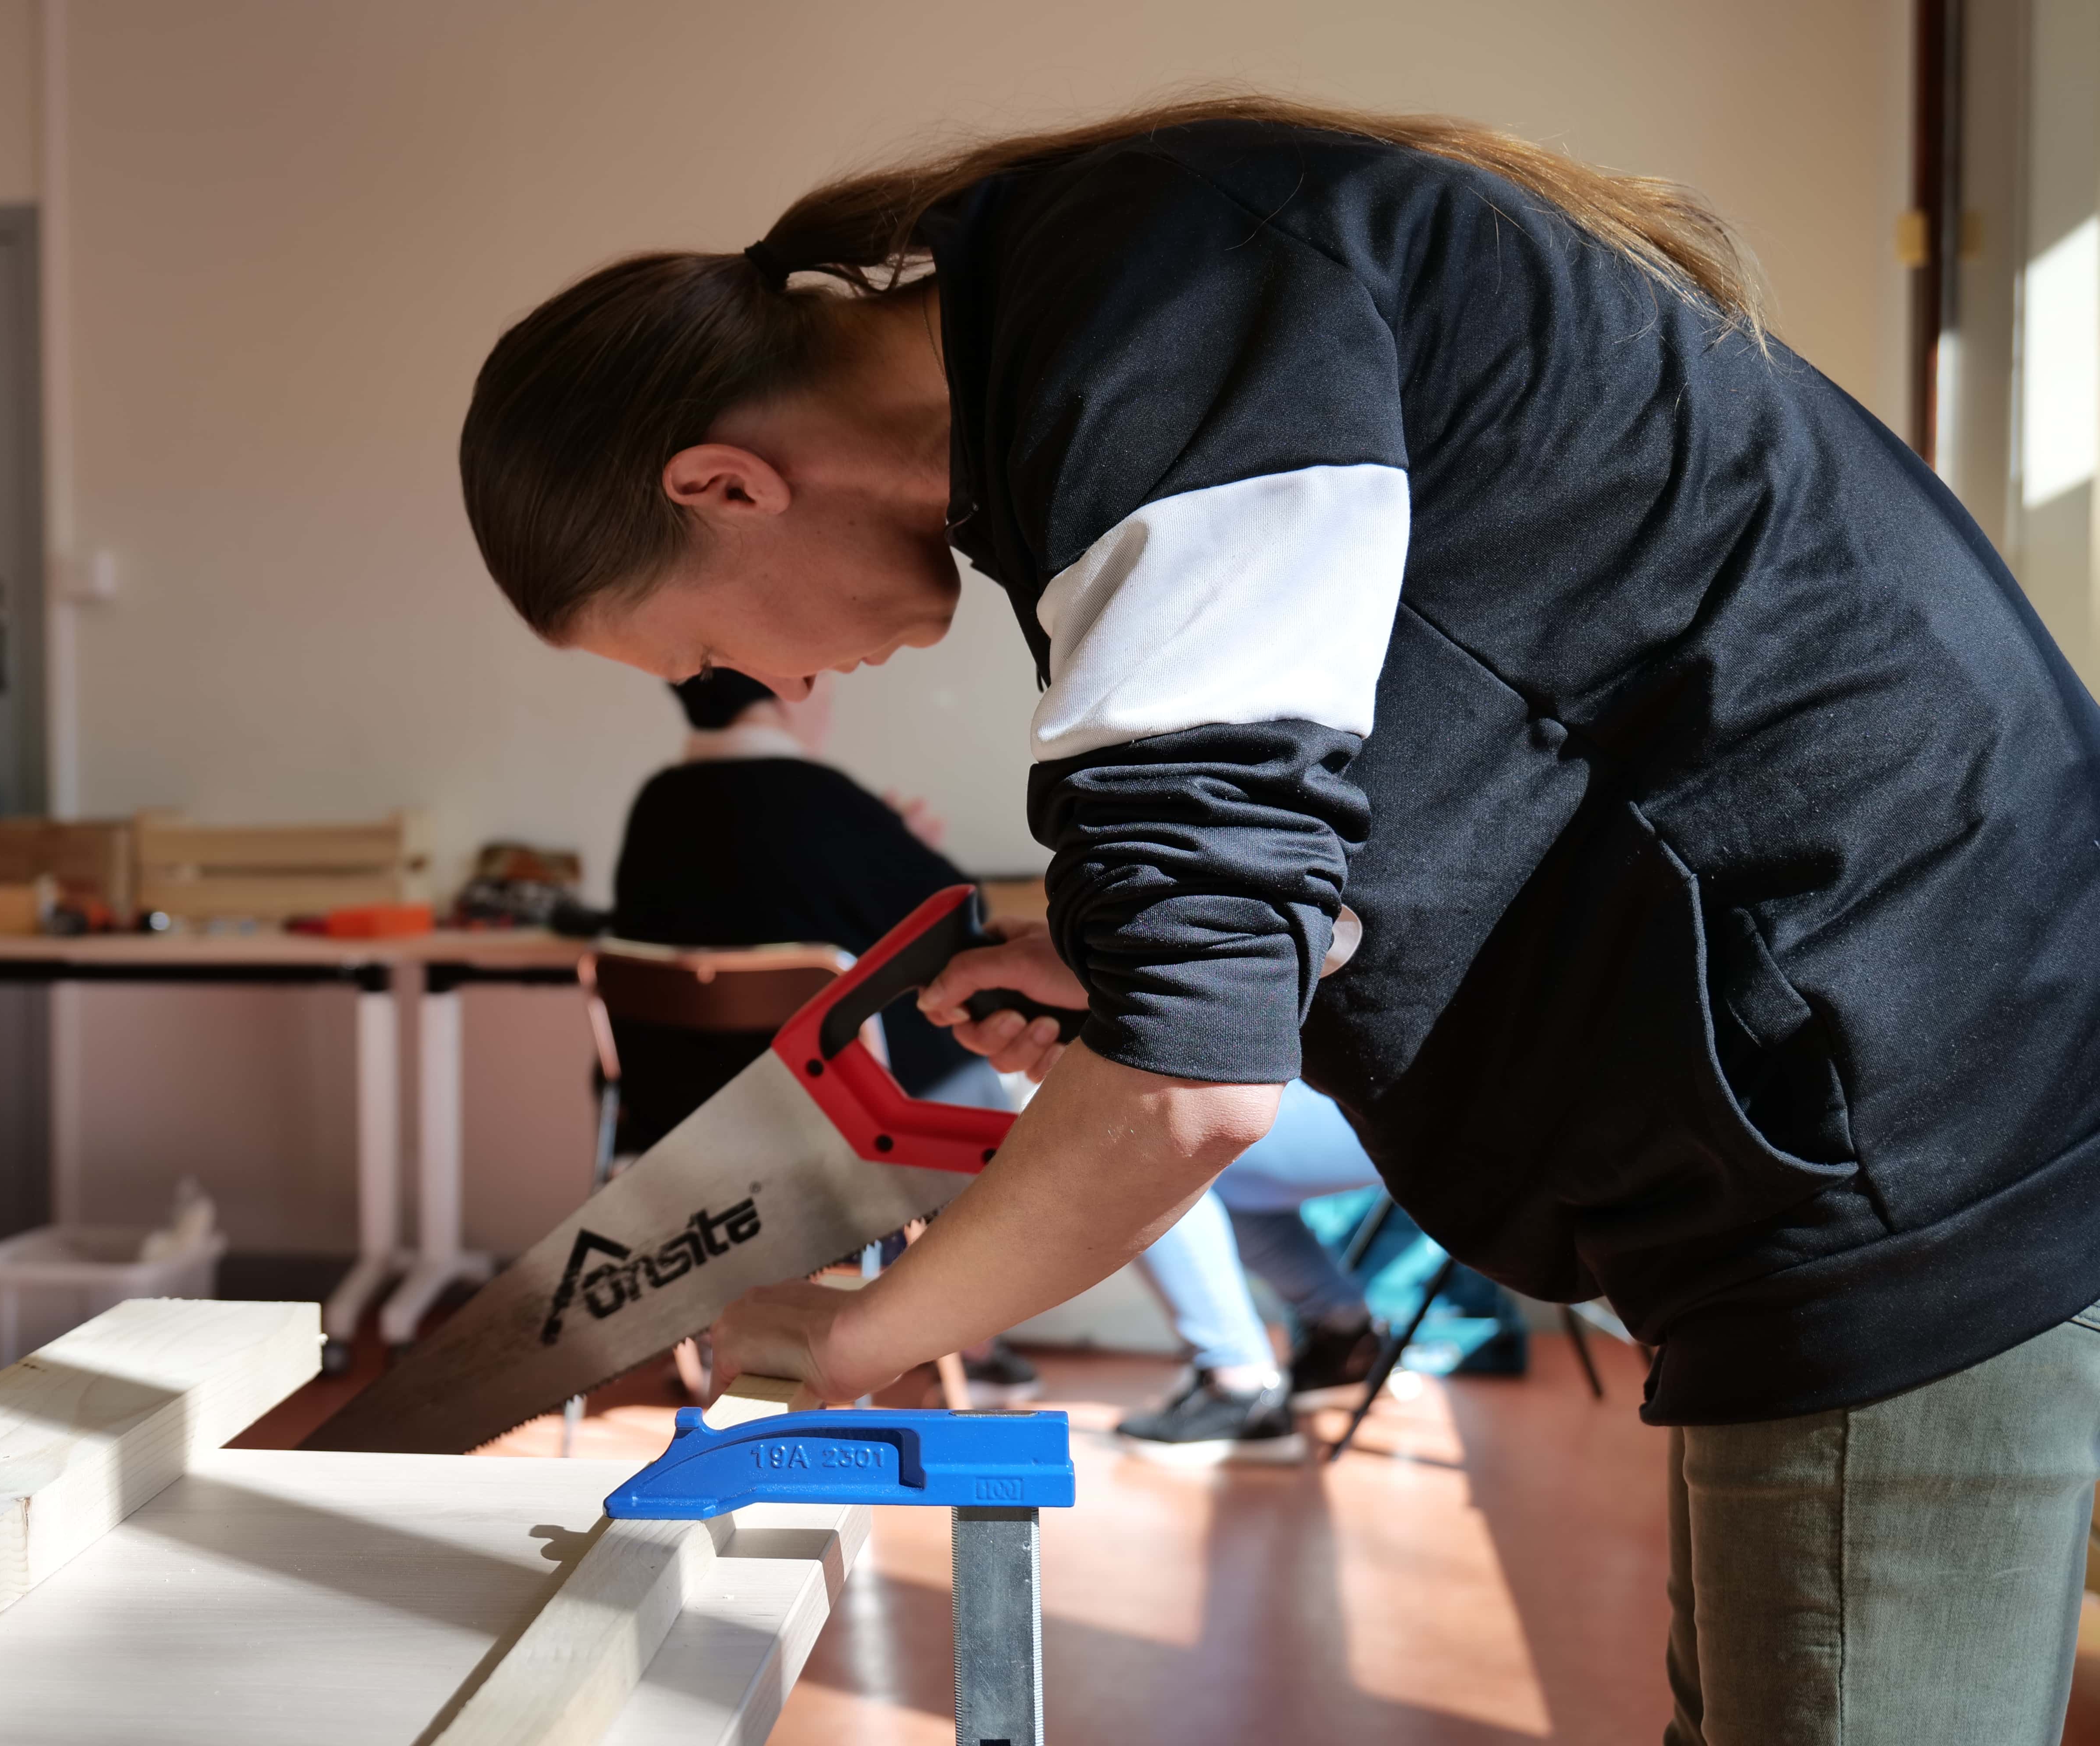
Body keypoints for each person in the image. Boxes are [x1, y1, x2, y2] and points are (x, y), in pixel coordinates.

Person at [455, 94, 2100, 1743]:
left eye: (708, 656)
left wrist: (869, 1325)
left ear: (723, 484)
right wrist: (1115, 945)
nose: (783, 686)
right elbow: (1450, 765)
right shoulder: (1102, 319)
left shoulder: (1153, 327)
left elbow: (1190, 1087)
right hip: (1855, 1084)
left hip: (1915, 1110)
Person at [611, 666, 1041, 1404]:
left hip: (683, 1130)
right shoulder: (830, 804)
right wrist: (905, 845)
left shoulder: (656, 806)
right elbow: (959, 924)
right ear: (783, 688)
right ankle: (974, 1342)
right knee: (956, 1054)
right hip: (829, 1132)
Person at [1121, 1079, 1387, 1463]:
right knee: (1223, 1172)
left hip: (1425, 1101)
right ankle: (1346, 1341)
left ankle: (1238, 1388)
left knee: (1150, 1140)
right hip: (1448, 1100)